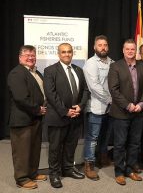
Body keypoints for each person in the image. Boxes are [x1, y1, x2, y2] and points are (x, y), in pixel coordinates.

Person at [43, 43, 89, 188]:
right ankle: (55, 174)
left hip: (76, 116)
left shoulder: (78, 70)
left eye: (69, 52)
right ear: (58, 54)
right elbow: (51, 94)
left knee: (71, 145)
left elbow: (86, 91)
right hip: (58, 116)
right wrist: (65, 111)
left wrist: (80, 106)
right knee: (55, 148)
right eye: (63, 52)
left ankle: (68, 168)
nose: (67, 54)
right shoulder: (50, 70)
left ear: (72, 53)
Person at [108, 39, 143, 185]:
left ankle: (130, 169)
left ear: (135, 51)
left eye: (133, 49)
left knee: (135, 143)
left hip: (138, 112)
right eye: (128, 49)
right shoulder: (115, 66)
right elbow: (114, 90)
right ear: (123, 50)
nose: (130, 51)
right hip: (121, 113)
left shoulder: (142, 66)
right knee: (119, 144)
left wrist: (142, 104)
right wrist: (128, 105)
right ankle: (119, 172)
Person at [7, 45, 47, 190]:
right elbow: (21, 98)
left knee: (34, 148)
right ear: (20, 58)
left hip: (35, 118)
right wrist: (37, 109)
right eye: (27, 55)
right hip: (22, 119)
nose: (31, 58)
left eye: (33, 55)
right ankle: (22, 178)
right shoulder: (17, 73)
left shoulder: (36, 73)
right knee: (22, 151)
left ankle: (32, 173)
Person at [82, 35, 114, 180]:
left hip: (110, 107)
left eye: (105, 45)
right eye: (100, 45)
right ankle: (89, 164)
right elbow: (94, 87)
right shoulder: (91, 63)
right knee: (93, 137)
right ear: (94, 47)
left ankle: (102, 157)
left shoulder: (112, 63)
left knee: (105, 135)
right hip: (96, 106)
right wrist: (110, 100)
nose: (103, 47)